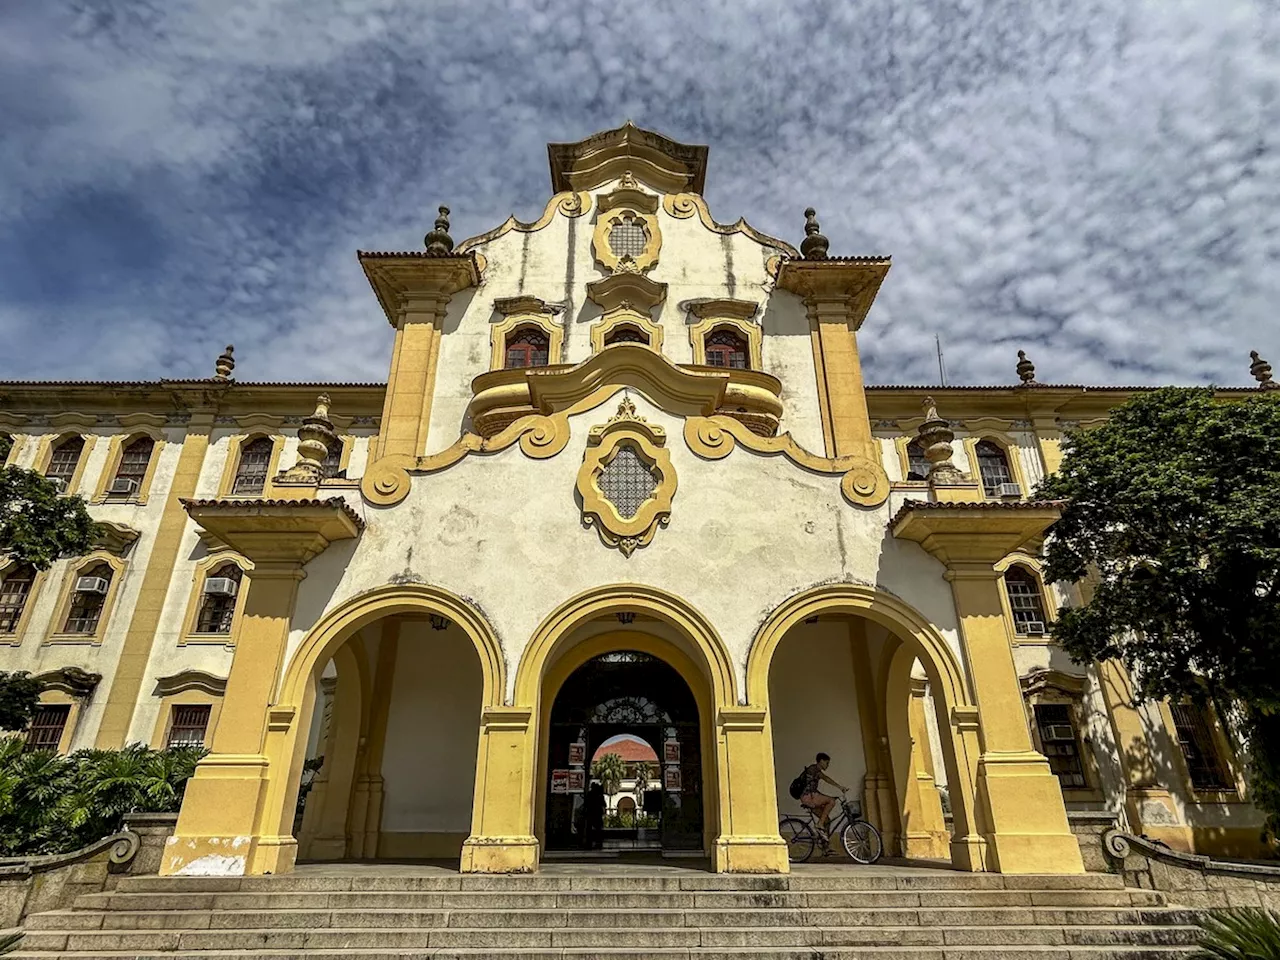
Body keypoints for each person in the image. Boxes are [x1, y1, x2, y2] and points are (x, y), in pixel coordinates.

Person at [799, 752, 849, 854]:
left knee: (826, 820)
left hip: (810, 796)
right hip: (808, 796)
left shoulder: (814, 770)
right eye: (827, 763)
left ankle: (825, 848)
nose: (827, 765)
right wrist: (840, 787)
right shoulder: (814, 769)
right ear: (821, 761)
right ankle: (819, 824)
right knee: (831, 801)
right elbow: (826, 779)